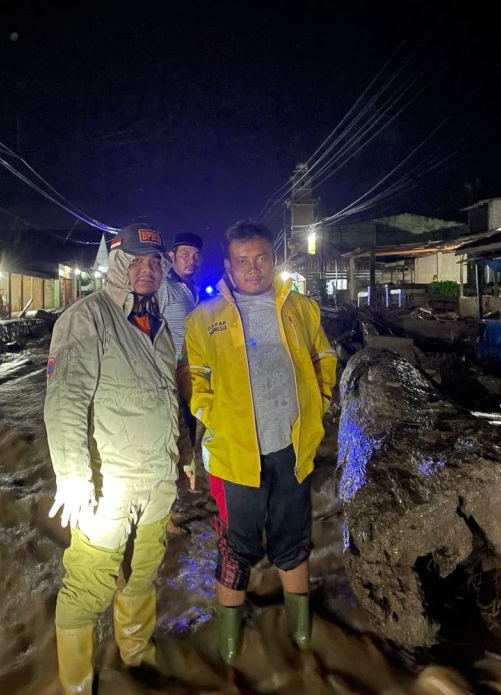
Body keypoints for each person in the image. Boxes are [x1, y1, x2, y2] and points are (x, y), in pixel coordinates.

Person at [181, 220, 337, 664]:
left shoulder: (301, 308)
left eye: (261, 258)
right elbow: (196, 377)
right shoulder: (203, 319)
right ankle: (230, 648)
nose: (253, 268)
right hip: (236, 455)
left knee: (293, 541)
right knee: (237, 546)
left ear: (274, 258)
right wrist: (213, 416)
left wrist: (320, 403)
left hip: (292, 450)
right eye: (243, 261)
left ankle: (301, 639)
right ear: (229, 265)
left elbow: (324, 356)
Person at [44, 223, 190, 693]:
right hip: (107, 486)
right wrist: (73, 478)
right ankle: (76, 685)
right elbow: (64, 402)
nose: (145, 270)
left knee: (142, 576)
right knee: (87, 585)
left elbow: (170, 398)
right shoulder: (86, 318)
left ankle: (138, 661)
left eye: (154, 261)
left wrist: (185, 456)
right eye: (135, 260)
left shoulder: (161, 326)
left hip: (158, 480)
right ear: (118, 263)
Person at [156, 231, 204, 496]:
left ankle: (185, 485)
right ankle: (168, 498)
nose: (191, 260)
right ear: (172, 256)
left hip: (192, 374)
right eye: (184, 254)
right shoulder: (164, 288)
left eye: (196, 255)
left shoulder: (194, 289)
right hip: (169, 372)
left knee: (190, 427)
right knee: (172, 430)